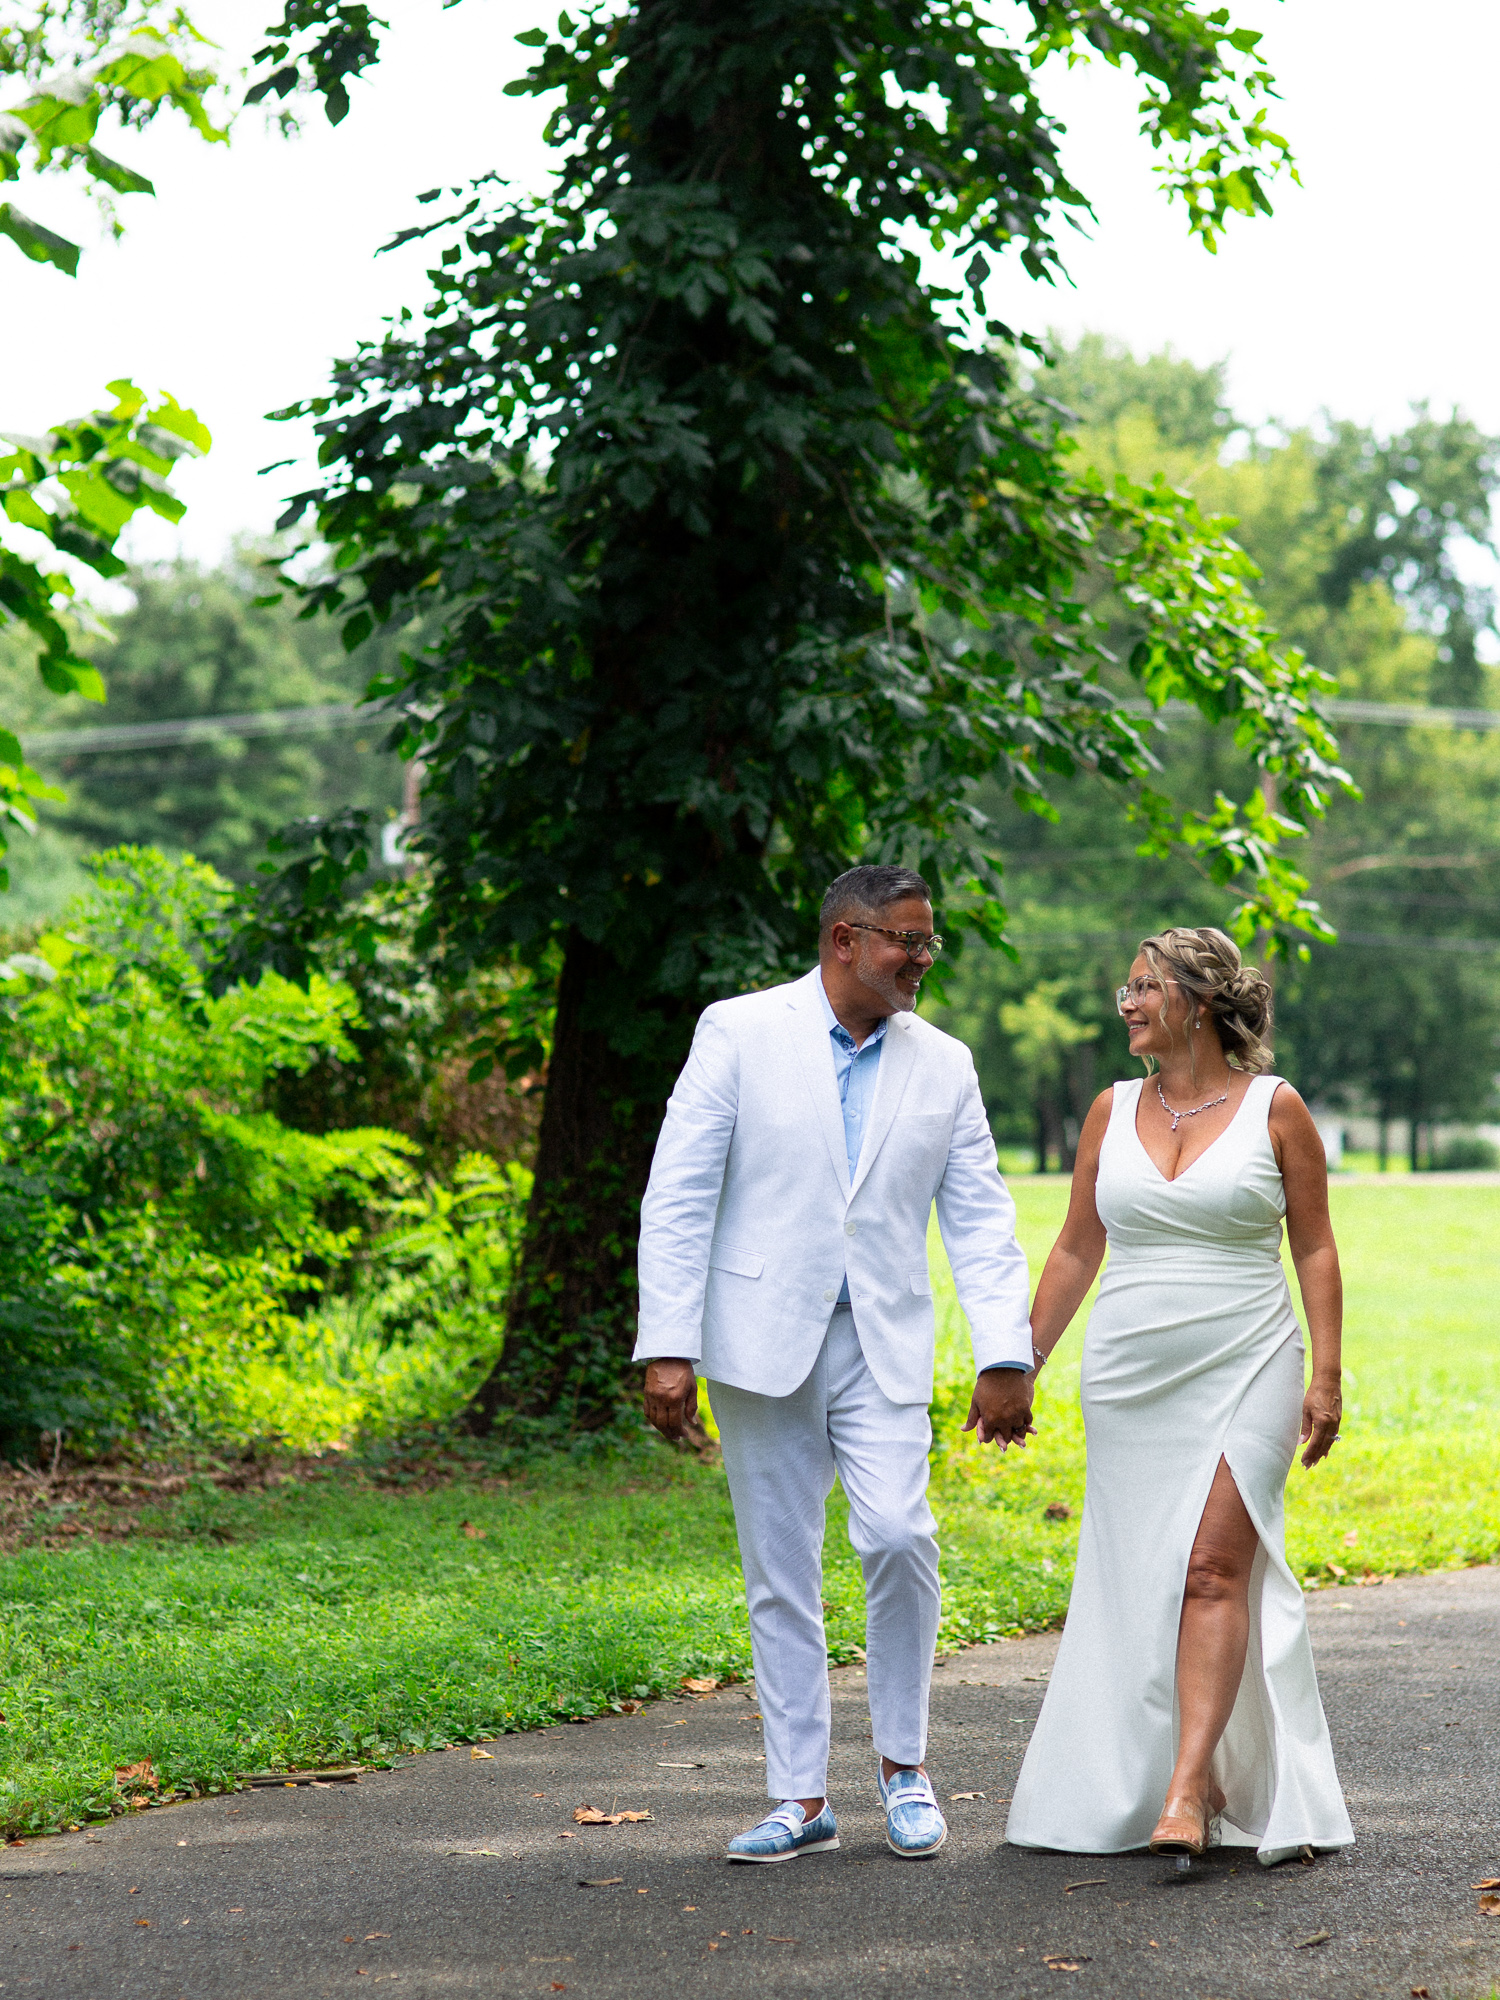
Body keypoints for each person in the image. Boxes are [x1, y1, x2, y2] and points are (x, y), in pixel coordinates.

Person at [635, 865, 1035, 1864]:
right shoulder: (739, 1030)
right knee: (781, 1570)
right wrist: (668, 1342)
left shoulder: (944, 1062)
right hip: (758, 1338)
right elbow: (679, 1190)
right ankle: (800, 1795)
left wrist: (1004, 1351)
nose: (922, 957)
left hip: (882, 1339)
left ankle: (905, 1765)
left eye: (928, 939)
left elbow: (981, 1213)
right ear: (845, 938)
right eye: (906, 938)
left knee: (901, 1535)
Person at [1006, 926, 1354, 1866]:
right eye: (1125, 987)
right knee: (1139, 1575)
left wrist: (1325, 1372)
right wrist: (1019, 1364)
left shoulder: (1274, 1110)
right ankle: (1150, 1771)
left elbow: (1313, 1245)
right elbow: (1078, 1246)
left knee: (1211, 1567)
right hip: (1130, 1371)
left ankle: (1190, 1786)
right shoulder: (1108, 1110)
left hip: (1250, 1357)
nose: (1125, 1003)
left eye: (1143, 987)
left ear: (1195, 1001)